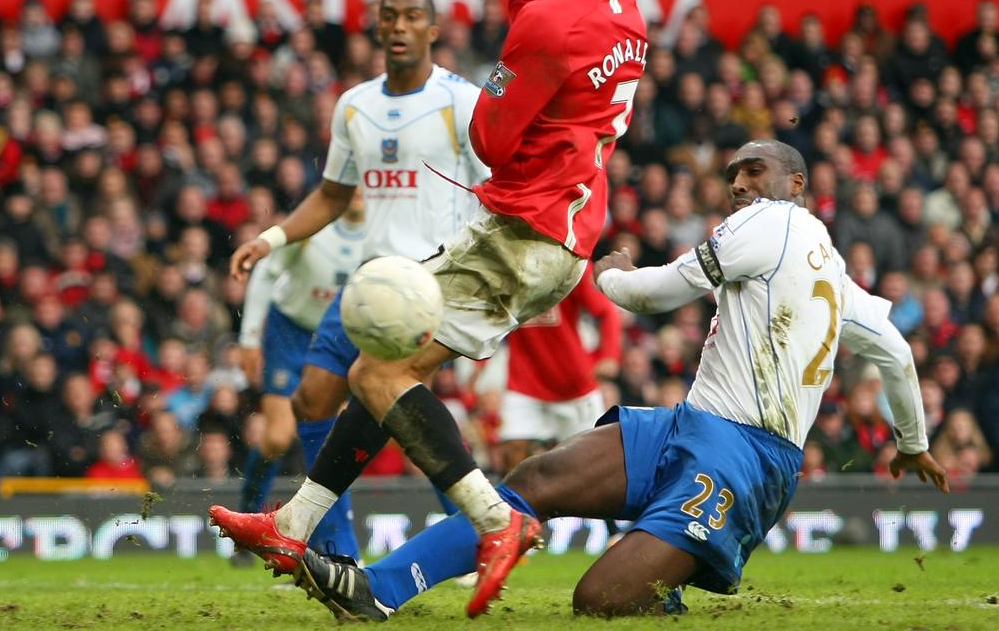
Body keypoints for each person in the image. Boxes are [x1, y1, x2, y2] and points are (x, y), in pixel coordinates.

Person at [210, 0, 646, 617]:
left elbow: (491, 138)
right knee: (379, 369)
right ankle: (294, 526)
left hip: (518, 232)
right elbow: (548, 65)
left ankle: (493, 518)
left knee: (377, 377)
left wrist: (518, 1)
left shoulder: (549, 23)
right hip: (562, 232)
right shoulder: (626, 16)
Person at [290, 139, 948, 621]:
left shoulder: (769, 221)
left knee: (599, 602)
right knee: (535, 480)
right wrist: (913, 441)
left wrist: (612, 276)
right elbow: (894, 352)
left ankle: (666, 584)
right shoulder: (831, 268)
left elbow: (658, 293)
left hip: (742, 458)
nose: (740, 184)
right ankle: (377, 589)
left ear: (796, 182)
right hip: (696, 427)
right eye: (731, 175)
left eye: (754, 170)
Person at [214, 0, 488, 559]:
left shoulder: (462, 102)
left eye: (413, 16)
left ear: (433, 31)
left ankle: (478, 530)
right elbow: (334, 195)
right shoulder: (354, 105)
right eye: (389, 16)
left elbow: (495, 186)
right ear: (377, 27)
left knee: (388, 404)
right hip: (371, 282)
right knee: (313, 399)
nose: (399, 25)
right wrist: (270, 239)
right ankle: (339, 551)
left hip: (432, 280)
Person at [234, 190, 365, 560]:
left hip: (339, 337)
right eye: (349, 183)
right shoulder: (313, 226)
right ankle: (249, 513)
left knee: (329, 443)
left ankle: (328, 543)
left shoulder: (380, 234)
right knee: (277, 437)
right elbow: (266, 272)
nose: (356, 192)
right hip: (289, 333)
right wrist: (249, 339)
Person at [497, 266, 621, 472]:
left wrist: (609, 355)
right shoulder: (507, 262)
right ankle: (516, 505)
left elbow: (606, 312)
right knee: (511, 451)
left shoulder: (571, 263)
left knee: (586, 465)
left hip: (574, 385)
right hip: (524, 380)